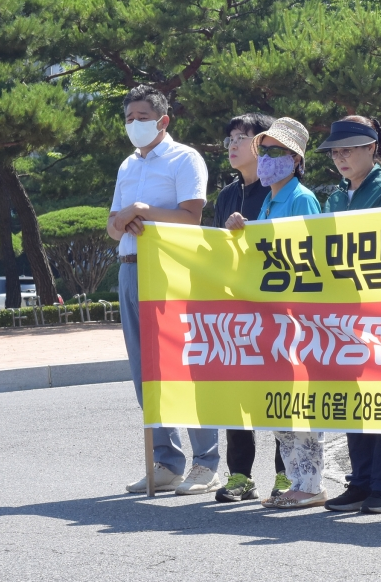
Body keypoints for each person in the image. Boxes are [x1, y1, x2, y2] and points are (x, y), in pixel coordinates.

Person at [108, 86, 217, 496]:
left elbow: (191, 216)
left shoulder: (184, 157)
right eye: (129, 117)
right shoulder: (126, 165)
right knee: (144, 371)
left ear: (163, 120)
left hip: (171, 270)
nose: (134, 124)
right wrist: (123, 219)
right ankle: (166, 460)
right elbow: (111, 224)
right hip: (130, 268)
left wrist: (143, 213)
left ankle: (207, 463)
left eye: (142, 116)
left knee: (185, 365)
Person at [226, 117, 328, 510]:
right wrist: (244, 230)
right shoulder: (269, 198)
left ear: (296, 159)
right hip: (271, 320)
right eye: (263, 150)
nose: (267, 158)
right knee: (282, 406)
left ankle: (310, 484)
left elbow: (306, 258)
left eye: (277, 152)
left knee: (300, 404)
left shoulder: (301, 198)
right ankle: (298, 481)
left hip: (295, 319)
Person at [315, 117, 381, 515]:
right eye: (336, 151)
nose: (341, 157)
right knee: (356, 397)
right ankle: (360, 481)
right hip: (346, 312)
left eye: (350, 149)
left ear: (373, 148)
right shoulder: (336, 196)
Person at [209, 112, 286, 503]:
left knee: (279, 393)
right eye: (230, 139)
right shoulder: (225, 196)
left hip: (276, 310)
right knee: (237, 395)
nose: (233, 145)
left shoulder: (280, 190)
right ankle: (239, 476)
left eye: (242, 137)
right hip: (235, 311)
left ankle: (285, 475)